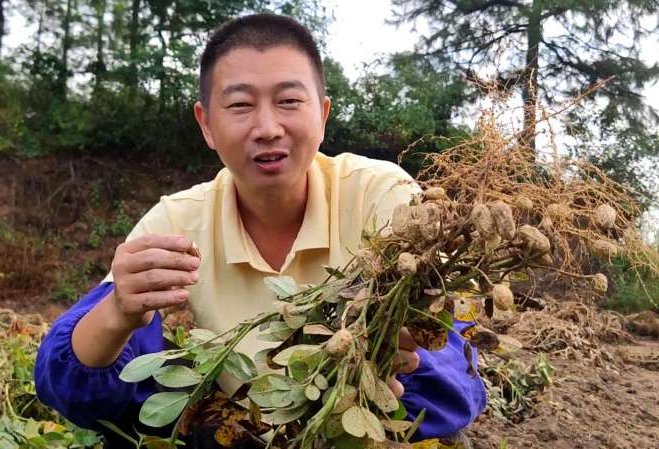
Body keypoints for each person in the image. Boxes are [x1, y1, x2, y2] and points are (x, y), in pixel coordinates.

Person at [35, 13, 486, 446]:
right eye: (240, 105)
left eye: (289, 101)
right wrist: (117, 312)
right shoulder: (176, 223)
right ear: (206, 124)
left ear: (323, 115)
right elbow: (70, 381)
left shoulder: (381, 197)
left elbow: (452, 348)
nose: (268, 128)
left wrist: (390, 362)